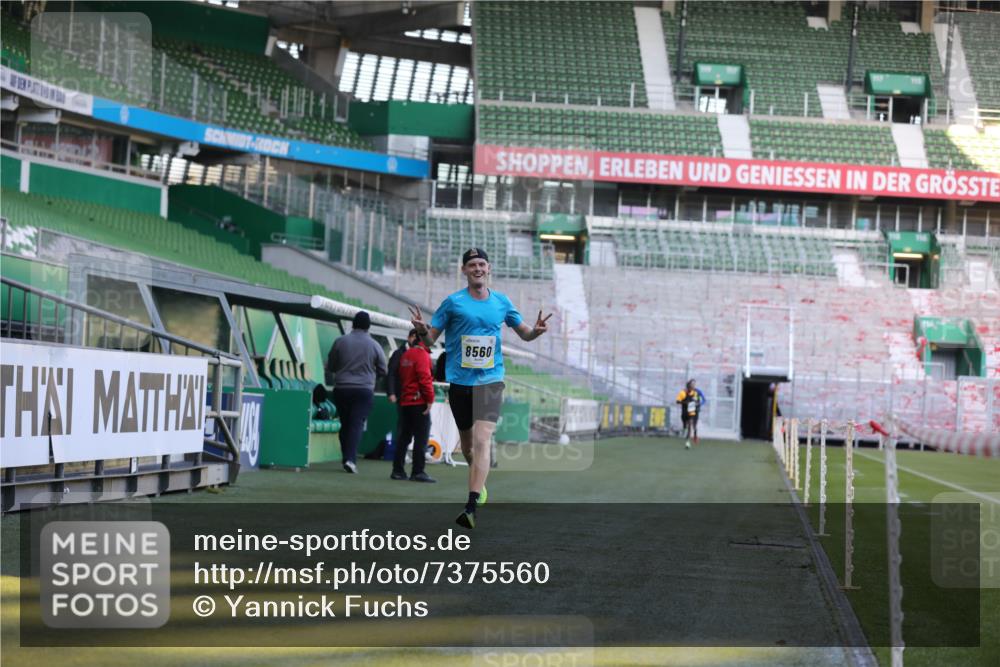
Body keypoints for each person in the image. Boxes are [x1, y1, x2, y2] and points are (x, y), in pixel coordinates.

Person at [409, 247, 552, 529]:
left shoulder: (501, 302)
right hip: (460, 381)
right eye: (472, 264)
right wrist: (422, 329)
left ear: (489, 269)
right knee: (467, 446)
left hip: (491, 379)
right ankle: (480, 484)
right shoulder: (453, 303)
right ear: (464, 270)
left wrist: (536, 331)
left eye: (482, 264)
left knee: (482, 439)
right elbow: (430, 340)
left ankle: (471, 506)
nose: (477, 269)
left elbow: (524, 333)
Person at [326, 310, 387, 473]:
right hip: (364, 390)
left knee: (345, 424)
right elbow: (383, 369)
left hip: (342, 388)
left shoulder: (340, 341)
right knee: (356, 424)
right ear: (368, 326)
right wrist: (372, 377)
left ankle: (346, 457)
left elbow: (331, 366)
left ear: (353, 324)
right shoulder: (374, 345)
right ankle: (350, 460)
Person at [390, 333, 437, 483]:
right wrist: (430, 399)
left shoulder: (406, 354)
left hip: (405, 401)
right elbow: (425, 379)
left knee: (404, 437)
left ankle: (398, 470)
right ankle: (417, 471)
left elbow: (400, 376)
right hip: (418, 402)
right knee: (421, 438)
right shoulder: (422, 355)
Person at [675, 379, 703, 449]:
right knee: (685, 426)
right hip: (684, 412)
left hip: (691, 412)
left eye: (694, 385)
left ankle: (687, 442)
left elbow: (697, 400)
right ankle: (684, 430)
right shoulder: (682, 393)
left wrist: (697, 403)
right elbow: (677, 401)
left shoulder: (695, 393)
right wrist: (685, 403)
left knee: (690, 425)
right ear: (688, 386)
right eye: (692, 385)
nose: (693, 386)